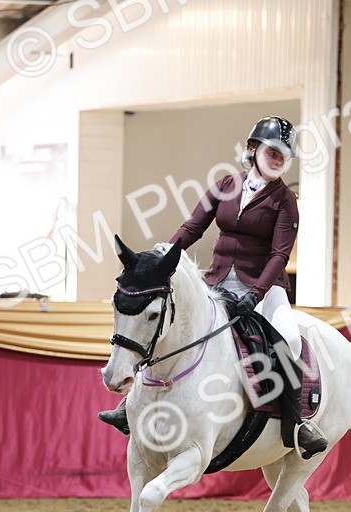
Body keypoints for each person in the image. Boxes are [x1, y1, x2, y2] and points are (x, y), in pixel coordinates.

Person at [98, 116, 328, 459]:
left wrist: (257, 293)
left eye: (284, 154)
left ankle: (295, 423)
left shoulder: (285, 201)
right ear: (252, 149)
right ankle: (129, 405)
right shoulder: (225, 186)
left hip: (263, 285)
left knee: (289, 339)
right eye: (272, 151)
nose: (279, 158)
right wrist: (160, 260)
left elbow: (280, 255)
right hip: (217, 280)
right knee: (168, 327)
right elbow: (192, 229)